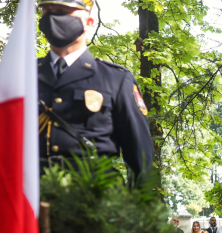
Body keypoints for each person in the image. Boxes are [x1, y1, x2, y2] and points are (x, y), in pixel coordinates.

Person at [37, 0, 154, 188]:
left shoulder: (116, 79)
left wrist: (141, 211)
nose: (53, 17)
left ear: (89, 21)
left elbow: (140, 157)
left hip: (95, 201)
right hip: (28, 199)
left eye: (62, 11)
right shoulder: (20, 75)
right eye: (47, 11)